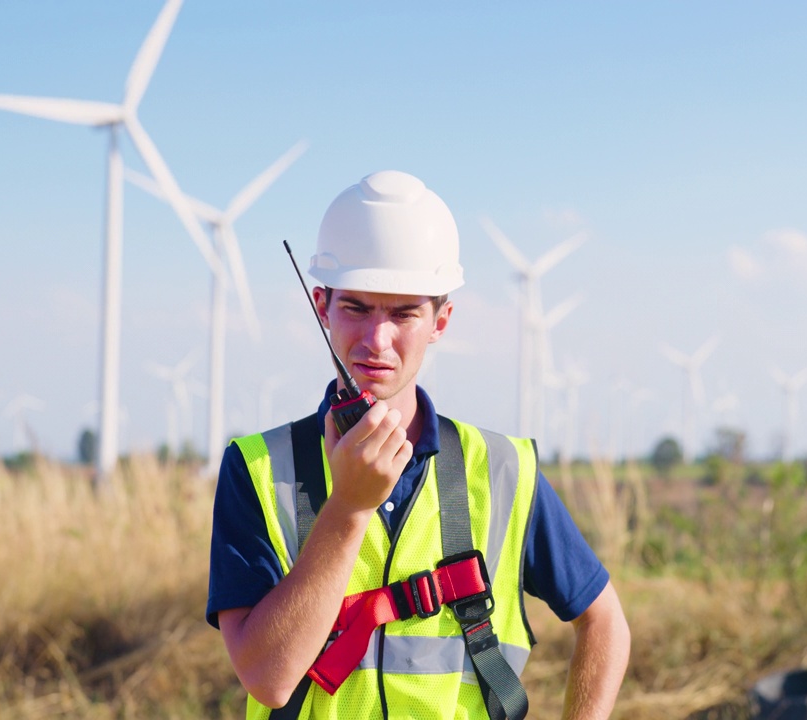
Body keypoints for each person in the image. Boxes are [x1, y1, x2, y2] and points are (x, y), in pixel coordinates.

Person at [207, 170, 630, 720]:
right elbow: (268, 679)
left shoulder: (502, 469)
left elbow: (605, 622)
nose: (377, 341)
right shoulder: (259, 470)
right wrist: (348, 508)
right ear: (321, 306)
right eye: (356, 307)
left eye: (404, 312)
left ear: (440, 320)